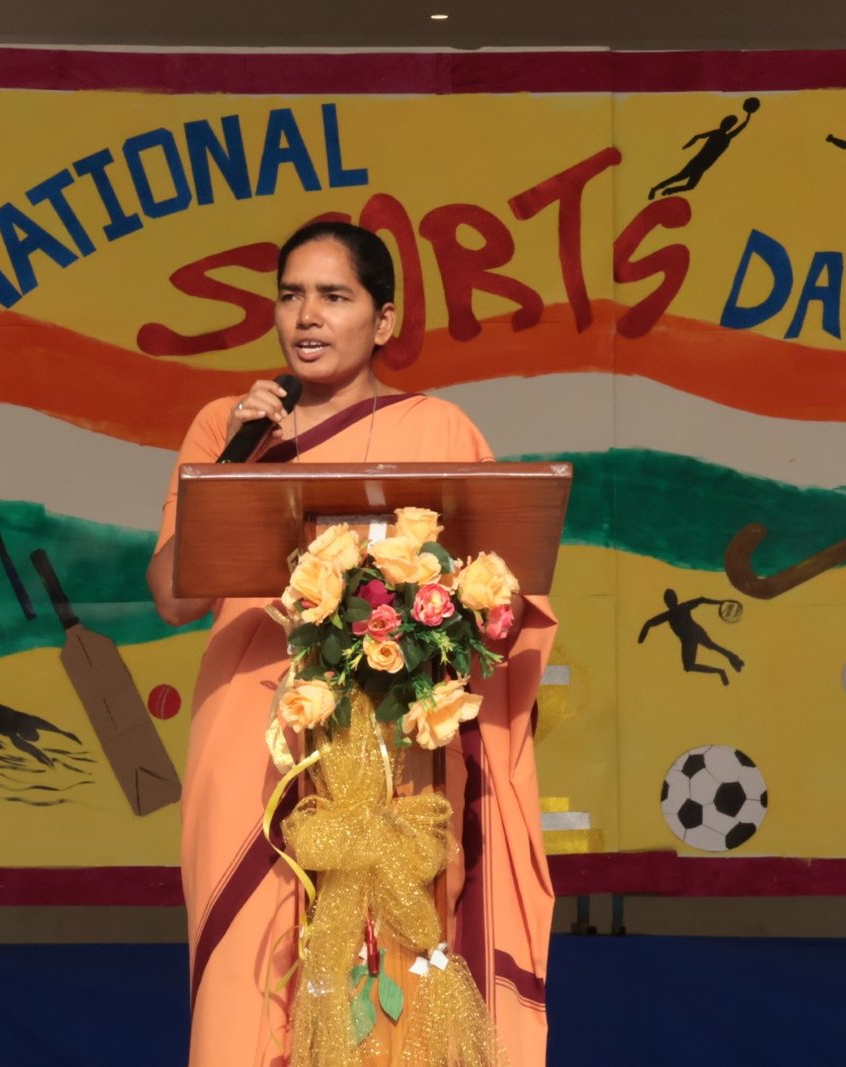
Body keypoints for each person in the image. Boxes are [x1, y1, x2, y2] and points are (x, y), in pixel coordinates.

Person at [147, 220, 557, 1066]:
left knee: (396, 976)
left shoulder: (439, 428)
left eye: (334, 296)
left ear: (384, 319)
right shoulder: (228, 427)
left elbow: (500, 600)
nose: (307, 316)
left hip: (401, 759)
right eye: (291, 295)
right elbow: (171, 597)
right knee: (252, 976)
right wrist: (238, 465)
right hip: (259, 743)